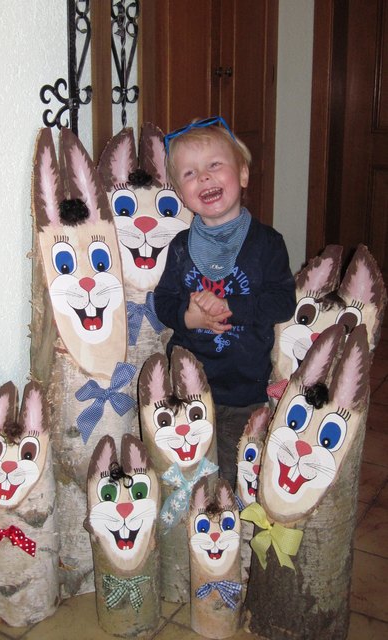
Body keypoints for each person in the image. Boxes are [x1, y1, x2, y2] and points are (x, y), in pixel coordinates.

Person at [154, 116, 296, 488]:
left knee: (231, 483)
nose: (203, 177)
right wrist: (189, 317)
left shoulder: (268, 244)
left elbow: (283, 302)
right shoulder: (180, 247)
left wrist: (232, 306)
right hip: (186, 393)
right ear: (181, 193)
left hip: (244, 395)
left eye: (215, 165)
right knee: (184, 479)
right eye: (189, 173)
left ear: (243, 175)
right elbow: (164, 301)